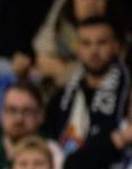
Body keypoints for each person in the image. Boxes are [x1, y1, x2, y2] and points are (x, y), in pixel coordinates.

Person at [44, 16, 130, 159]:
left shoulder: (127, 93)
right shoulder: (62, 97)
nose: (94, 50)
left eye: (102, 43)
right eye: (86, 43)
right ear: (77, 48)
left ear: (117, 47)